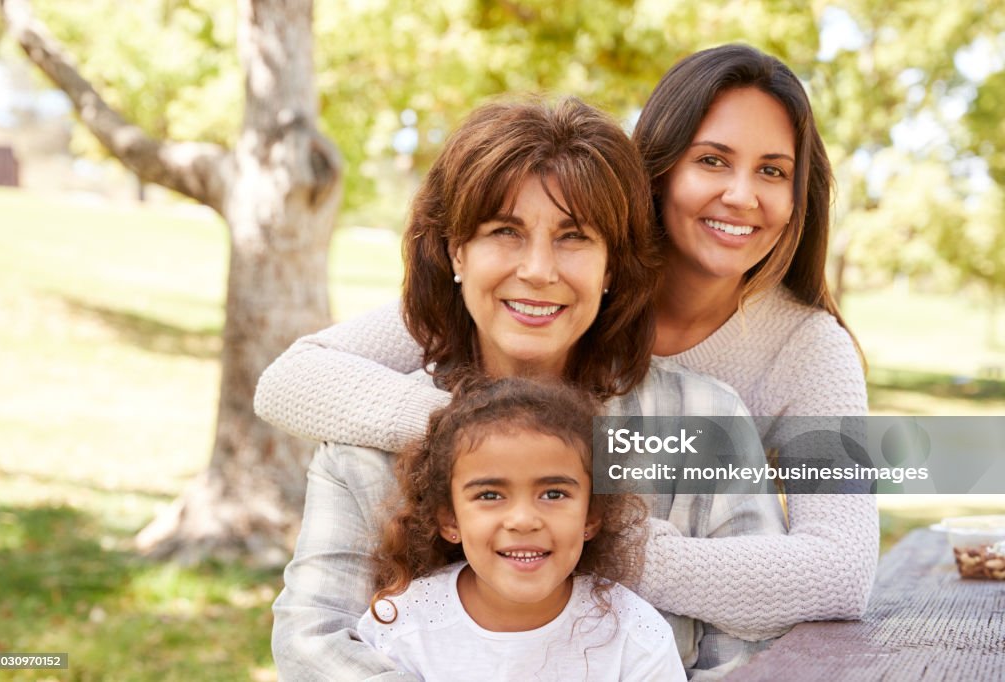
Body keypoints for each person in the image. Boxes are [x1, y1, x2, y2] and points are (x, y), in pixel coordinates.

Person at [255, 44, 879, 642]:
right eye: (712, 160)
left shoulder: (801, 351)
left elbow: (841, 571)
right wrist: (488, 435)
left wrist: (603, 544)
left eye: (772, 171)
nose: (742, 195)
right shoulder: (529, 290)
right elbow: (293, 380)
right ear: (654, 175)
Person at [358, 375, 686, 681]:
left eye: (554, 494)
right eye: (490, 495)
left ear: (591, 516)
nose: (523, 520)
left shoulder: (635, 636)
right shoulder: (400, 625)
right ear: (449, 520)